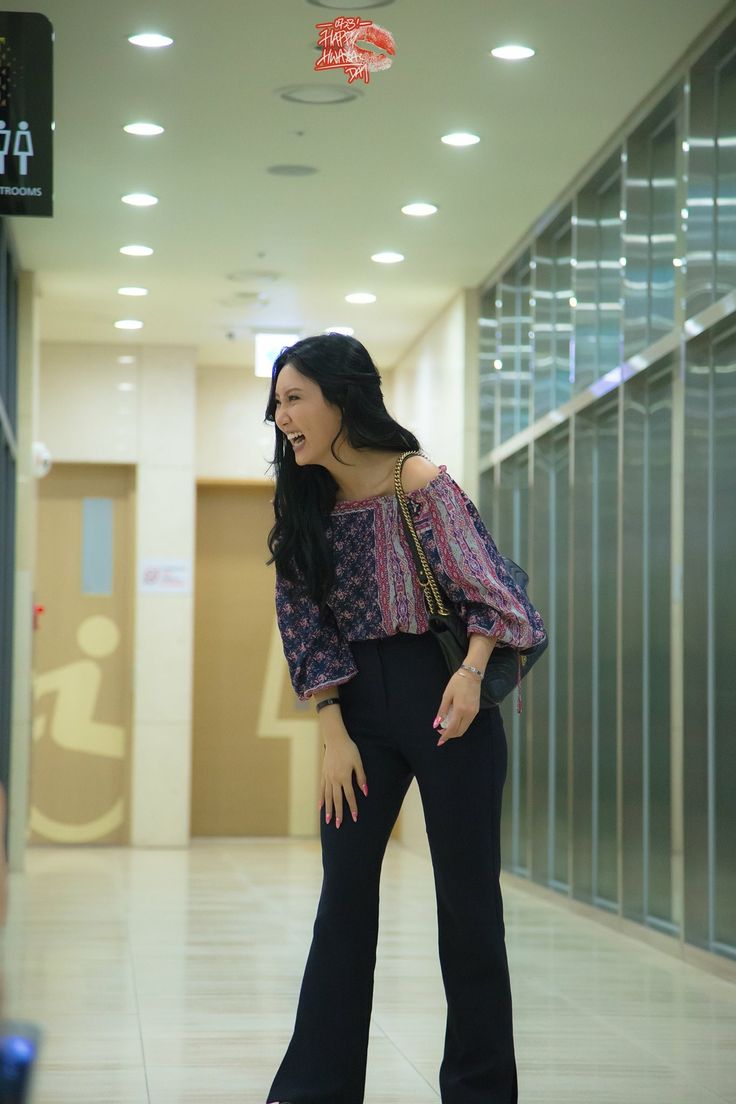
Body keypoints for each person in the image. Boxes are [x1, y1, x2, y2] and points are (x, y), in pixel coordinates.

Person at [263, 333, 546, 1104]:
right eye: (277, 403)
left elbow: (493, 595)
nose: (282, 417)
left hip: (446, 695)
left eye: (295, 399)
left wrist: (468, 672)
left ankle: (482, 1092)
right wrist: (332, 736)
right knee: (343, 902)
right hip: (353, 707)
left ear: (341, 398)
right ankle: (314, 1091)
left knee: (468, 905)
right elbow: (302, 623)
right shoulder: (302, 499)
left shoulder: (417, 481)